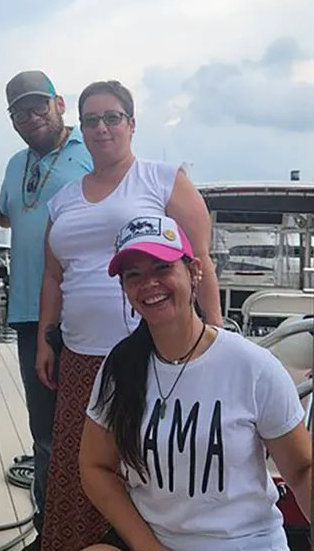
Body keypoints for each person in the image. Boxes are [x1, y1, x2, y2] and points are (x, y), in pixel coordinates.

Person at [36, 80, 224, 551]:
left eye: (112, 117)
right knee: (80, 468)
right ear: (81, 128)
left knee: (150, 466)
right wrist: (44, 338)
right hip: (80, 357)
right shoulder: (62, 201)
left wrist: (217, 337)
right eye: (92, 120)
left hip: (150, 356)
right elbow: (53, 278)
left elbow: (200, 260)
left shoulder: (162, 180)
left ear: (131, 124)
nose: (102, 128)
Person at [80, 214, 312, 551]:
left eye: (161, 268)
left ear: (194, 271)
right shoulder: (120, 367)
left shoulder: (253, 367)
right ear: (125, 289)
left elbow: (301, 470)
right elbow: (95, 466)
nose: (149, 284)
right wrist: (148, 546)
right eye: (134, 276)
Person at [0, 70, 93, 549]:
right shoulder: (15, 165)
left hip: (88, 315)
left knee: (95, 428)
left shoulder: (92, 151)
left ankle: (99, 530)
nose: (31, 118)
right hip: (31, 318)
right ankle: (49, 530)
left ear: (60, 104)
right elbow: (4, 213)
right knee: (46, 432)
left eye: (39, 107)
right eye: (19, 111)